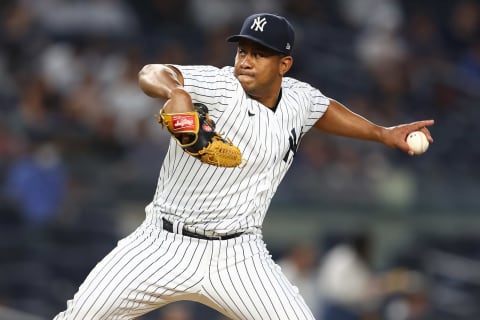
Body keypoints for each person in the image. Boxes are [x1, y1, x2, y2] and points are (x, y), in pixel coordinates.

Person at [53, 13, 434, 320]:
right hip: (162, 242)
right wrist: (177, 92)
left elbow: (325, 110)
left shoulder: (299, 99)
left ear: (284, 64)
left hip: (238, 254)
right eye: (242, 50)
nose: (245, 60)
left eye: (259, 53)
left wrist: (382, 134)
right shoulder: (220, 86)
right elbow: (150, 72)